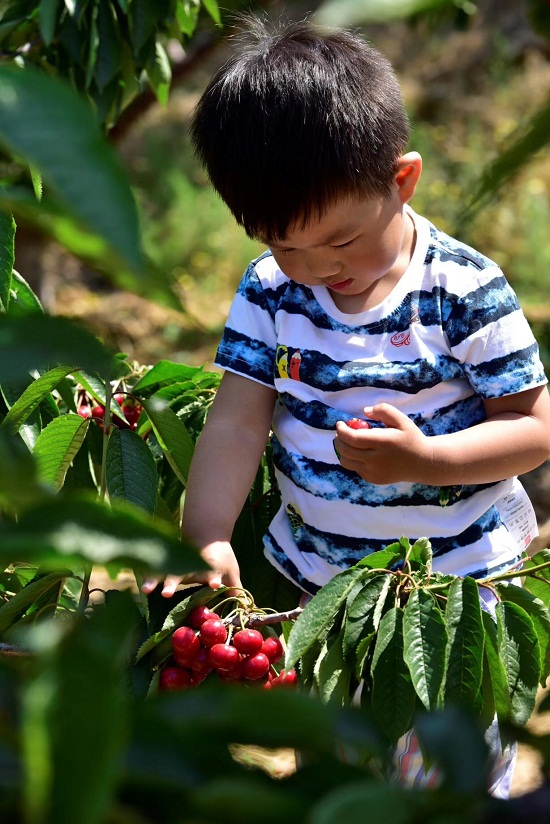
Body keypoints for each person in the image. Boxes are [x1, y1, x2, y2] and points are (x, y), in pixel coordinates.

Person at [142, 15, 550, 796]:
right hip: (326, 594)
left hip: (452, 597)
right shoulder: (270, 289)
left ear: (402, 181)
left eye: (341, 239)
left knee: (443, 783)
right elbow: (236, 417)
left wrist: (427, 460)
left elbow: (533, 429)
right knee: (344, 769)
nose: (320, 269)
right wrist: (208, 534)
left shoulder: (462, 290)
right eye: (285, 243)